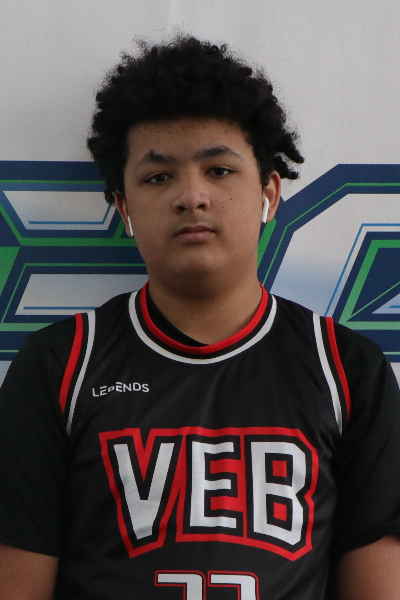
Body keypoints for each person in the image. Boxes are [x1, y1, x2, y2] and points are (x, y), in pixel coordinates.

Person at [0, 36, 400, 600]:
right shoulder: (59, 365)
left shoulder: (347, 370)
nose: (192, 196)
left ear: (269, 192)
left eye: (218, 170)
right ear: (124, 208)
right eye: (158, 177)